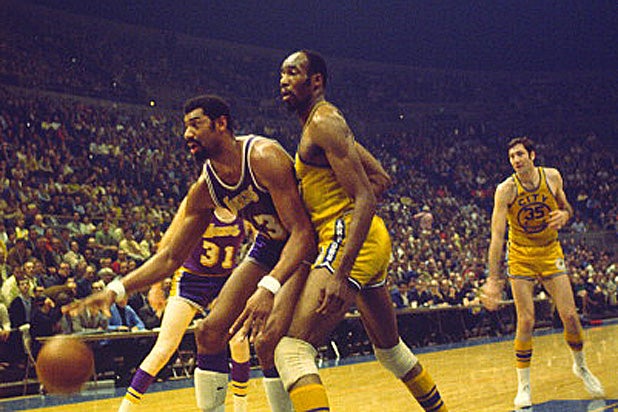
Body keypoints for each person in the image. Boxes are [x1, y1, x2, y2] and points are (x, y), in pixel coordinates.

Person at [69, 94, 316, 412]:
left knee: (267, 341)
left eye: (195, 125)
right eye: (185, 127)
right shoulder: (205, 188)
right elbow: (171, 257)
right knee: (209, 333)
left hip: (305, 243)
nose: (187, 134)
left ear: (221, 124)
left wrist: (268, 287)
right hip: (267, 246)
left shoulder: (262, 156)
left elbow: (302, 233)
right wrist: (116, 289)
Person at [269, 49, 447, 411]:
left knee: (292, 350)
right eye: (282, 74)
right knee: (391, 352)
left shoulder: (323, 122)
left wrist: (341, 271)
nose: (283, 81)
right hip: (367, 239)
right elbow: (381, 177)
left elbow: (365, 196)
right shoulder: (323, 123)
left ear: (316, 81)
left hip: (348, 241)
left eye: (292, 73)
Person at [482, 136, 604, 409]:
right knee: (526, 320)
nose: (516, 160)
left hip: (549, 251)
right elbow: (497, 236)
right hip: (521, 256)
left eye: (520, 154)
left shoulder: (552, 177)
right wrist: (492, 279)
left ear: (532, 155)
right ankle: (523, 385)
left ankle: (581, 366)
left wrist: (565, 215)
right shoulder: (505, 190)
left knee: (570, 316)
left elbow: (567, 208)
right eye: (512, 156)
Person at [118, 208, 251, 412]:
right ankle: (126, 408)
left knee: (239, 340)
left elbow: (264, 237)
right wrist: (156, 286)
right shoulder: (198, 200)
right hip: (190, 281)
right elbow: (168, 243)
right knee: (164, 348)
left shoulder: (243, 202)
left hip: (225, 282)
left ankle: (241, 407)